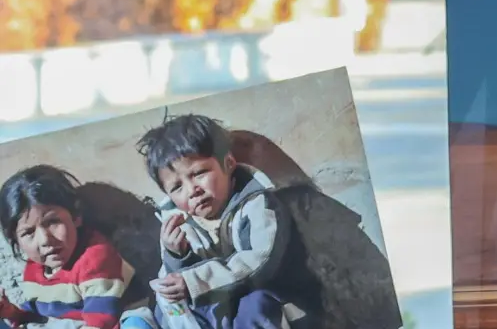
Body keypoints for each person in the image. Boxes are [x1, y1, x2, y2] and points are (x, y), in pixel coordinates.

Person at [135, 115, 315, 329]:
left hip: (265, 297)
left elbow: (260, 261)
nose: (193, 191)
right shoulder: (178, 220)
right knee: (169, 311)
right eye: (176, 187)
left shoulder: (257, 204)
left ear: (228, 164)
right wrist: (177, 255)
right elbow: (177, 277)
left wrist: (193, 282)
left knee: (255, 306)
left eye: (199, 173)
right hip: (216, 303)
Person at [0, 165, 156, 329]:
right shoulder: (35, 269)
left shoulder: (96, 258)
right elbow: (41, 316)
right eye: (28, 232)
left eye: (53, 222)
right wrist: (11, 312)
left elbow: (102, 322)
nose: (45, 239)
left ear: (76, 216)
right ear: (16, 241)